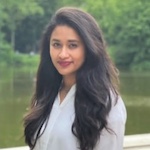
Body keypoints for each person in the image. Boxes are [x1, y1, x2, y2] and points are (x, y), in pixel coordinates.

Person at [23, 7, 127, 150]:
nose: (62, 54)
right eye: (56, 45)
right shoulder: (47, 93)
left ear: (90, 48)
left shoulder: (107, 104)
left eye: (72, 45)